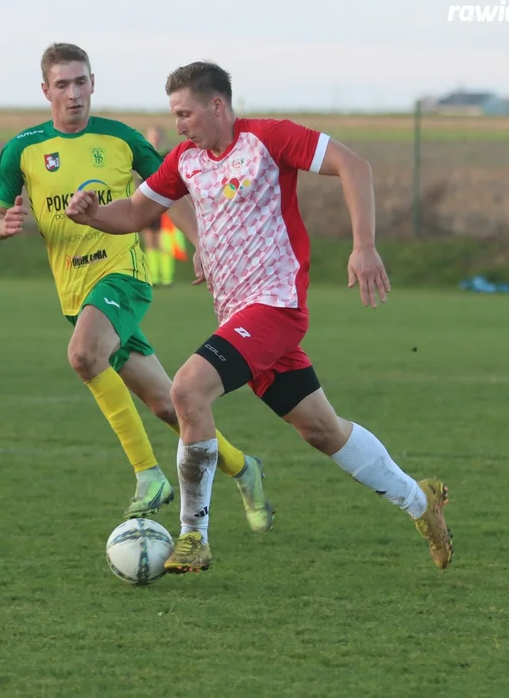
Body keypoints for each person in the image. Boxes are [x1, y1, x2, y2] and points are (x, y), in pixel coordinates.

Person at [65, 61, 452, 573]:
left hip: (275, 306)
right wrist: (91, 214)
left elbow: (353, 166)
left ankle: (192, 536)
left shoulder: (268, 139)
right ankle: (420, 500)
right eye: (174, 116)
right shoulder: (185, 160)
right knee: (321, 429)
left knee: (186, 390)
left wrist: (364, 246)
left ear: (217, 105)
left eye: (185, 114)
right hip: (239, 320)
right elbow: (135, 214)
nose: (179, 125)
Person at [0, 43, 273, 529]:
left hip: (123, 275)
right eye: (62, 85)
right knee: (167, 404)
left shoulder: (120, 139)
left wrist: (201, 241)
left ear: (93, 83)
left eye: (81, 82)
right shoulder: (23, 148)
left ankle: (148, 476)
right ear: (45, 90)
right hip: (76, 292)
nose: (74, 94)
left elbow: (171, 188)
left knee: (82, 356)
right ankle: (245, 469)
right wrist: (3, 223)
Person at [141, 127, 187, 287]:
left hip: (162, 204)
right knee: (150, 241)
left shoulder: (165, 155)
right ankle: (153, 278)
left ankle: (167, 278)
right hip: (146, 204)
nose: (155, 139)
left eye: (157, 136)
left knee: (164, 242)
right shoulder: (142, 155)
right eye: (152, 136)